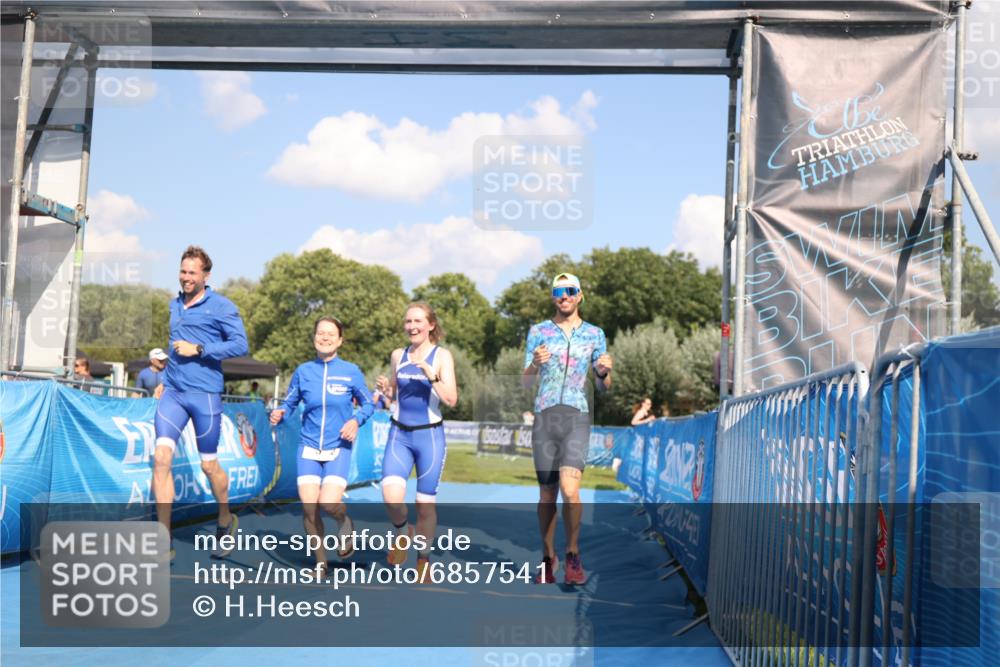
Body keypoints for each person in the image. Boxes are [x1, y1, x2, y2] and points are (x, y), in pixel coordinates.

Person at [153, 246, 249, 559]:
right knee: (161, 458)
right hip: (175, 393)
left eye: (193, 273)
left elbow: (240, 344)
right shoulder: (174, 304)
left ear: (206, 275)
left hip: (205, 395)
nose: (186, 278)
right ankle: (163, 540)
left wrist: (200, 348)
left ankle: (225, 518)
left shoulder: (221, 306)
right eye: (183, 272)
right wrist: (165, 381)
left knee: (209, 465)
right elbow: (172, 346)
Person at [522, 272, 612, 585]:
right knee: (547, 494)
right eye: (558, 292)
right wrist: (534, 363)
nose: (564, 296)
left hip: (576, 417)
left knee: (569, 490)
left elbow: (604, 387)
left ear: (580, 295)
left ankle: (572, 553)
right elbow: (525, 382)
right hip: (545, 416)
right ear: (552, 297)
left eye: (570, 291)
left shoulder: (595, 334)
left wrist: (602, 373)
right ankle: (548, 557)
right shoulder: (538, 332)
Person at [270, 316, 374, 575]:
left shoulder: (351, 371)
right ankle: (320, 562)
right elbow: (290, 402)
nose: (324, 337)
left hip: (338, 446)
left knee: (328, 503)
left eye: (330, 334)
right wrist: (281, 411)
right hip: (308, 447)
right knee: (309, 506)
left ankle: (344, 521)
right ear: (314, 337)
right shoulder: (304, 371)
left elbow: (369, 404)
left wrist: (355, 420)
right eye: (320, 333)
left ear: (340, 340)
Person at [375, 302, 458, 580]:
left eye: (418, 321)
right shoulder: (398, 355)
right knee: (391, 497)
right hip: (399, 434)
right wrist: (385, 390)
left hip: (430, 437)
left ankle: (423, 559)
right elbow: (394, 398)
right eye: (408, 321)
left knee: (425, 506)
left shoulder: (442, 356)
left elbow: (451, 399)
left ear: (431, 325)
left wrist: (430, 374)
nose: (412, 326)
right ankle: (401, 532)